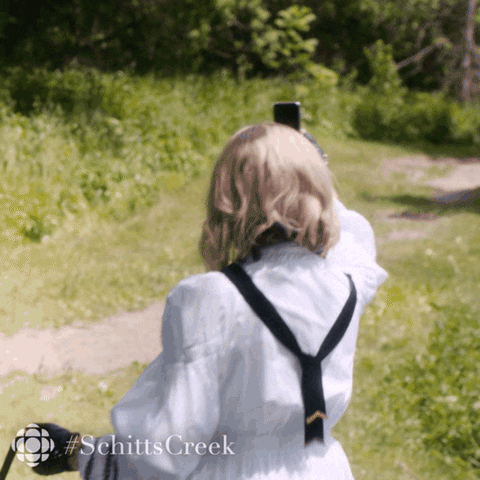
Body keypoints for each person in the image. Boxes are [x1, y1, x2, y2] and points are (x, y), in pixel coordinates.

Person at [25, 123, 387, 479]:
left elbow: (165, 454)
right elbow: (355, 242)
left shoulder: (211, 299)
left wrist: (75, 452)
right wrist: (308, 167)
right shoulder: (346, 286)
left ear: (228, 198)